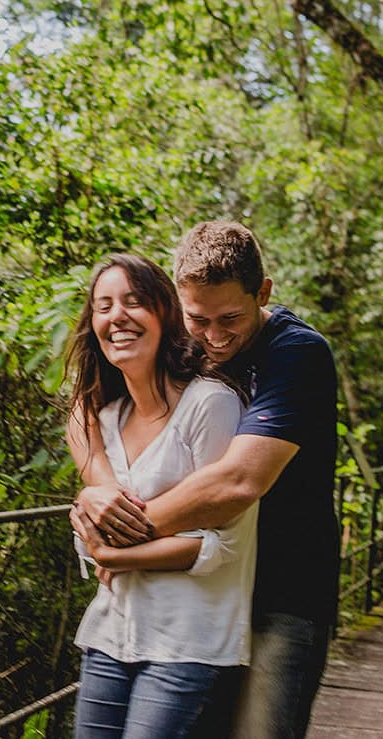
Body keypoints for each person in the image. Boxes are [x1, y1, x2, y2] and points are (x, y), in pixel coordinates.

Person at [71, 221, 339, 738]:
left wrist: (118, 534)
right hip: (198, 597)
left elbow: (237, 482)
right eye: (199, 319)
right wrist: (97, 486)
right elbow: (87, 403)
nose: (215, 337)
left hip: (280, 597)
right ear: (179, 302)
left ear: (263, 293)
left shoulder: (296, 353)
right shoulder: (186, 349)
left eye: (230, 319)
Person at [66, 253, 258, 739]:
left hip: (188, 641)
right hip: (111, 633)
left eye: (134, 302)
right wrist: (93, 511)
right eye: (103, 306)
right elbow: (86, 538)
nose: (117, 317)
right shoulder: (106, 419)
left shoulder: (209, 403)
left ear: (165, 313)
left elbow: (222, 546)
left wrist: (113, 551)